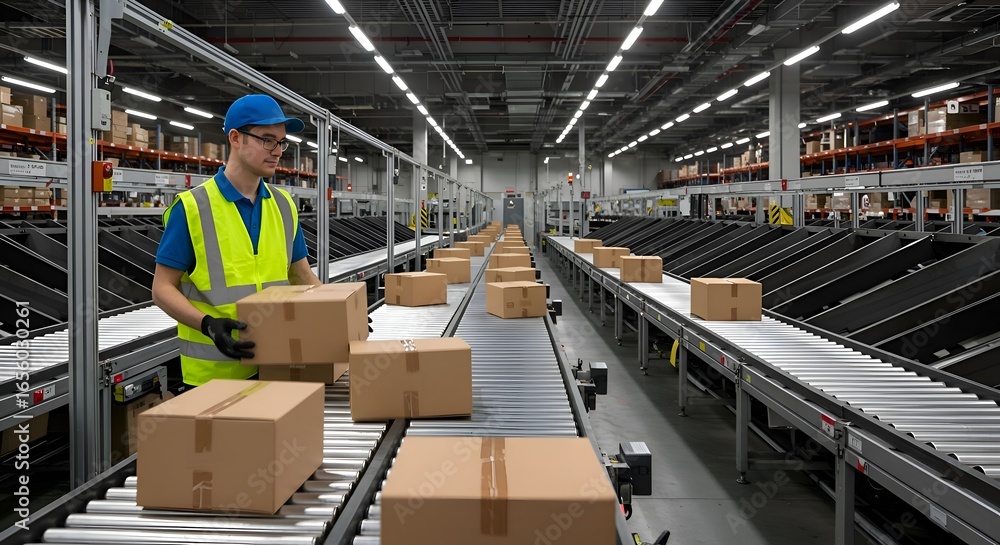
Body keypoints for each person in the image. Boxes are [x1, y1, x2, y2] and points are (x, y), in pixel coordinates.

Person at [152, 94, 322, 387]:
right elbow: (162, 288)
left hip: (275, 366)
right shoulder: (193, 207)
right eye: (267, 139)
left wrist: (338, 313)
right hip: (212, 379)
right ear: (235, 138)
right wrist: (208, 325)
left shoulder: (284, 206)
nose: (277, 151)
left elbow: (300, 273)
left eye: (281, 142)